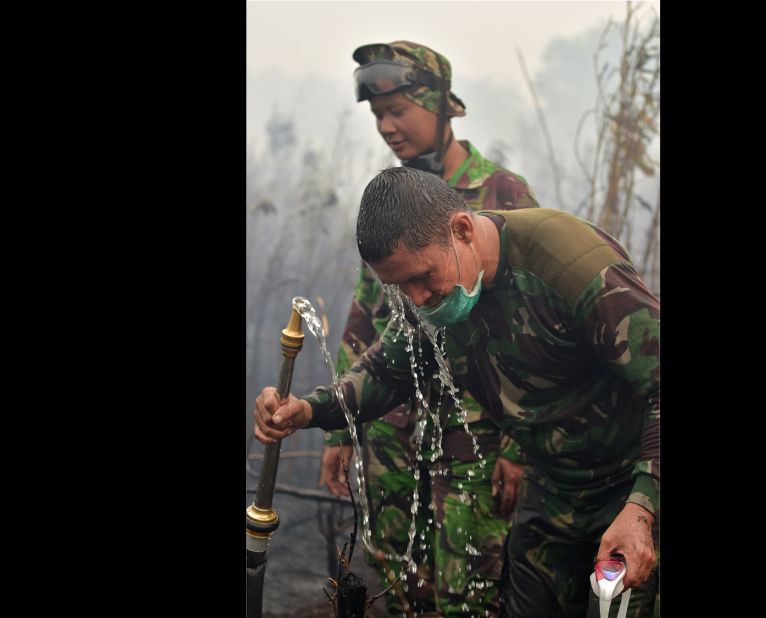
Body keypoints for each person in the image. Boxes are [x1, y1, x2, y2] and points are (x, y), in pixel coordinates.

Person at [257, 166, 660, 617]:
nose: (418, 298)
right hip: (551, 488)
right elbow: (386, 374)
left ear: (463, 229)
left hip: (635, 483)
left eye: (423, 277)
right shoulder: (435, 300)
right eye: (401, 287)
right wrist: (307, 410)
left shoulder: (572, 267)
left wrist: (643, 507)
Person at [319, 41, 539, 616]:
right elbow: (365, 314)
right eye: (377, 116)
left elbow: (531, 328)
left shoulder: (501, 194)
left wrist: (518, 445)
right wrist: (342, 428)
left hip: (474, 430)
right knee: (398, 577)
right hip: (393, 429)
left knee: (471, 586)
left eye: (399, 111)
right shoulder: (390, 197)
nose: (388, 127)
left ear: (442, 106)